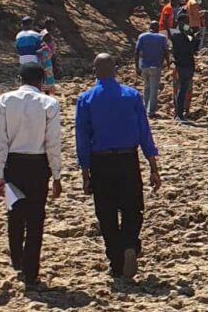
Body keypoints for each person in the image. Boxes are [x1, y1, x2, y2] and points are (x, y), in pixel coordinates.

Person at [75, 54, 162, 279]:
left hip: (100, 160)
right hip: (128, 158)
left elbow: (82, 139)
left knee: (106, 212)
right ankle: (130, 244)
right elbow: (144, 132)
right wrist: (153, 166)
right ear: (115, 69)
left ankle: (116, 260)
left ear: (95, 70)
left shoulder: (86, 99)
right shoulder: (131, 95)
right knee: (133, 207)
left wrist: (85, 172)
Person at [0, 63, 62, 288]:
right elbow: (53, 143)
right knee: (35, 217)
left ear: (18, 78)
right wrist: (57, 175)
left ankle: (17, 259)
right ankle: (31, 269)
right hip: (38, 164)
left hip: (13, 162)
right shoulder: (49, 103)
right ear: (41, 81)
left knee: (14, 211)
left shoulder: (4, 100)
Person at [134, 21, 169, 117]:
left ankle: (145, 109)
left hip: (144, 66)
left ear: (149, 27)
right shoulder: (162, 38)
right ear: (158, 28)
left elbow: (137, 52)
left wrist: (137, 66)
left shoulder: (142, 36)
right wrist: (168, 63)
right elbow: (165, 52)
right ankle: (151, 111)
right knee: (154, 89)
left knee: (146, 87)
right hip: (155, 66)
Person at [170, 15, 197, 122]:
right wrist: (193, 37)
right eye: (185, 22)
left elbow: (192, 49)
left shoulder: (180, 36)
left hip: (184, 65)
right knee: (181, 90)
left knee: (182, 89)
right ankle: (179, 114)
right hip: (183, 65)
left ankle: (179, 113)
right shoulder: (178, 36)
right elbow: (189, 49)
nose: (187, 24)